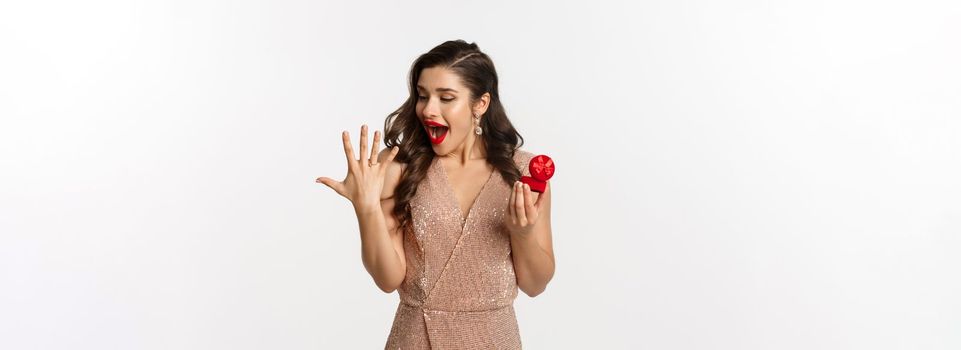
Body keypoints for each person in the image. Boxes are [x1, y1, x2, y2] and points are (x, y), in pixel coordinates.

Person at [316, 39, 555, 349]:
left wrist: (523, 234)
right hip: (416, 339)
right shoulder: (402, 168)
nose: (428, 109)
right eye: (423, 95)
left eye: (446, 98)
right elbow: (388, 279)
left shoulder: (524, 174)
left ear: (480, 104)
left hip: (495, 340)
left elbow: (536, 285)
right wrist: (366, 208)